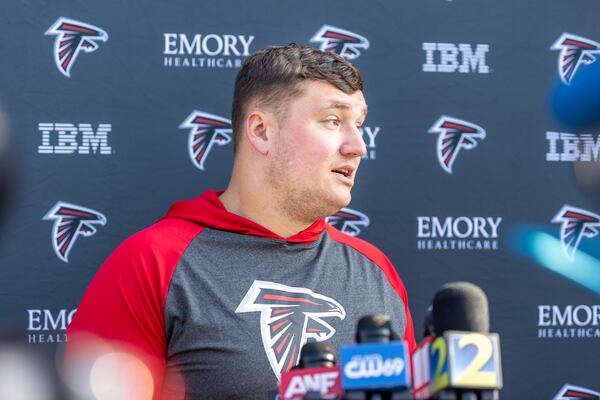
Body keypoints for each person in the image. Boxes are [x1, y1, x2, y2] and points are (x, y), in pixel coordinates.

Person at [65, 44, 415, 400]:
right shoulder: (153, 262)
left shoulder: (376, 271)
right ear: (262, 131)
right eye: (333, 121)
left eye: (359, 124)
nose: (358, 146)